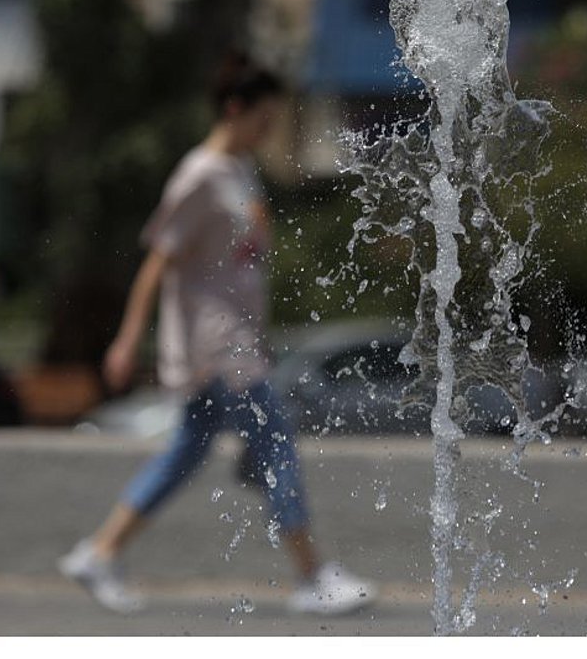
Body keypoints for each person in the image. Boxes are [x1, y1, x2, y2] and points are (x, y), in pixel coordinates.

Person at [58, 54, 375, 616]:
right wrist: (128, 340)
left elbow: (238, 266)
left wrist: (260, 334)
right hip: (215, 344)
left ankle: (100, 552)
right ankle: (312, 575)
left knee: (188, 450)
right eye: (263, 120)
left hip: (238, 340)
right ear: (234, 109)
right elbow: (159, 260)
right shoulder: (199, 175)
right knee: (276, 444)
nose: (268, 131)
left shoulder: (239, 171)